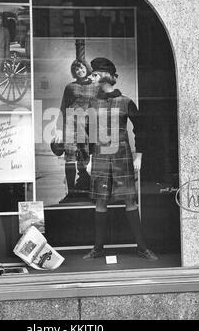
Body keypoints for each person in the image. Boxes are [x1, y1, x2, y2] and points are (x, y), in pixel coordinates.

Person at [84, 57, 158, 261]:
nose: (92, 77)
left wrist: (139, 155)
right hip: (99, 155)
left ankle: (142, 247)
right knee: (100, 201)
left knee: (129, 200)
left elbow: (142, 129)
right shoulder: (92, 102)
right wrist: (90, 158)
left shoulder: (126, 102)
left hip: (121, 156)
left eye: (95, 73)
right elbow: (89, 132)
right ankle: (98, 248)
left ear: (106, 75)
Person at [55, 60, 99, 203]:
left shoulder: (96, 87)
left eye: (81, 68)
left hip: (88, 126)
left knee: (86, 157)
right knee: (70, 158)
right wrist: (59, 130)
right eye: (76, 69)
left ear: (86, 68)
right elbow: (63, 108)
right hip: (71, 124)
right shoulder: (70, 87)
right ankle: (71, 192)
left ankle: (86, 190)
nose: (80, 71)